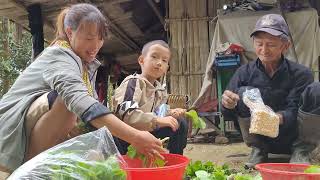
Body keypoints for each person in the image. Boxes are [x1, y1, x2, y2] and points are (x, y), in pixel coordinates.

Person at [0, 3, 165, 176]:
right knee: (66, 102)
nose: (96, 45)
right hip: (10, 134)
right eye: (89, 38)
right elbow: (80, 101)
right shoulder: (60, 55)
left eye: (100, 39)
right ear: (70, 32)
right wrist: (136, 137)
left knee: (96, 152)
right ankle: (31, 174)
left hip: (29, 132)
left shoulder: (83, 64)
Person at [221, 14, 313, 169]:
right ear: (253, 43)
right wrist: (227, 105)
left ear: (286, 45)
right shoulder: (244, 73)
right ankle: (259, 149)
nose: (264, 50)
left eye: (271, 44)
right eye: (259, 44)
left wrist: (277, 118)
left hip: (292, 136)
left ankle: (301, 150)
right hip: (261, 138)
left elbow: (296, 108)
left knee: (316, 91)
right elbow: (227, 112)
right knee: (244, 92)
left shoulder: (302, 74)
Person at [113, 40, 189, 155]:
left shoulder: (160, 90)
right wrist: (157, 120)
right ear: (141, 60)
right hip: (125, 136)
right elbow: (126, 114)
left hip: (146, 131)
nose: (159, 63)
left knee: (179, 123)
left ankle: (174, 160)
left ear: (166, 68)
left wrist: (171, 113)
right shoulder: (134, 82)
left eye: (164, 60)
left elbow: (159, 112)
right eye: (154, 57)